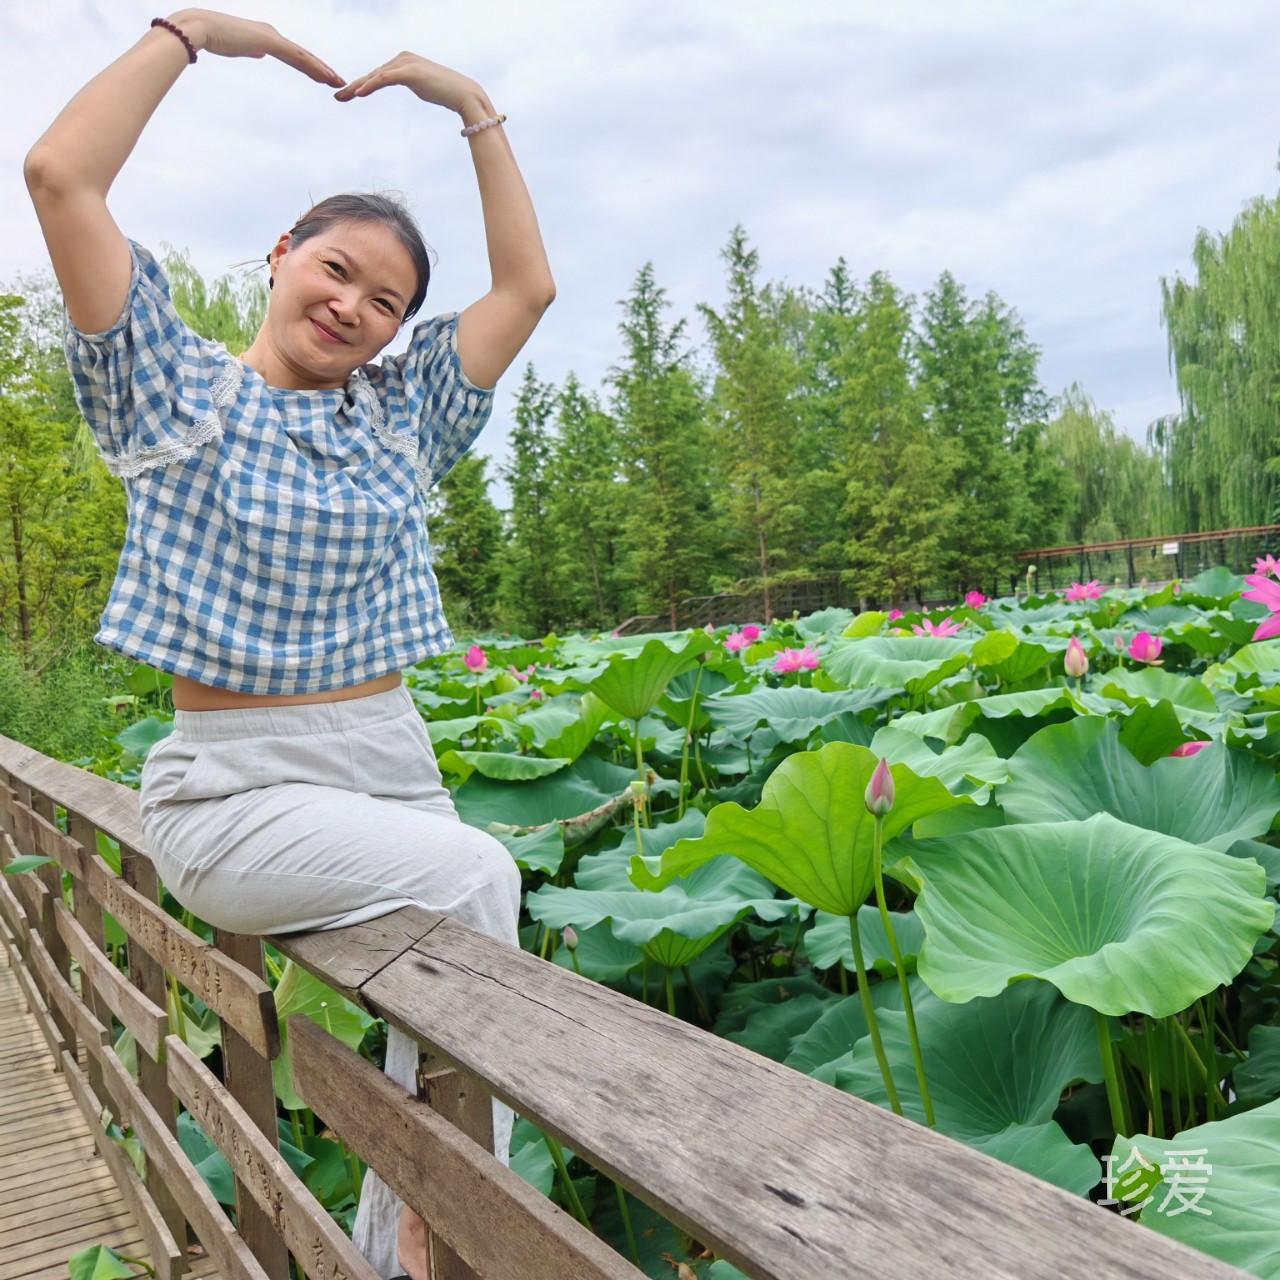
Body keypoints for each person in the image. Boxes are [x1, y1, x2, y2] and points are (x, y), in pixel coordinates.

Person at [23, 10, 554, 1278]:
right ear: (280, 254)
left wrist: (470, 101)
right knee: (481, 879)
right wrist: (193, 32)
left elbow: (527, 288)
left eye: (387, 302)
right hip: (238, 788)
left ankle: (404, 1237)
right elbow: (59, 176)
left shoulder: (400, 422)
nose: (355, 309)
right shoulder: (175, 392)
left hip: (390, 764)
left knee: (447, 1001)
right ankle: (418, 1242)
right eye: (338, 272)